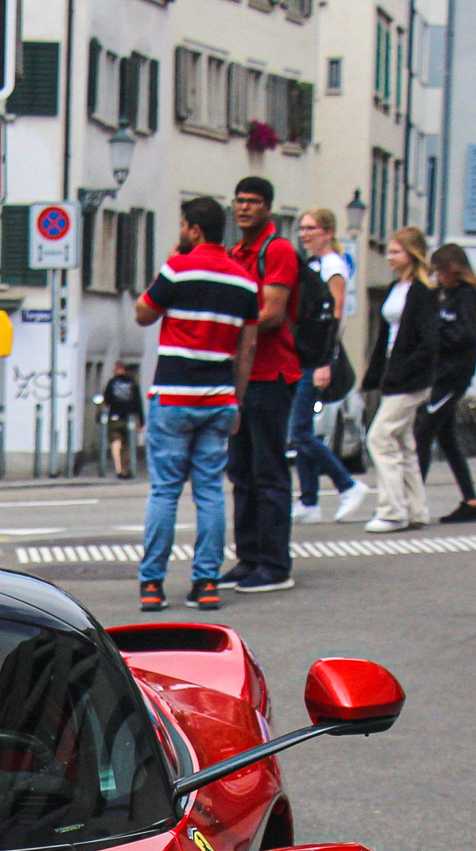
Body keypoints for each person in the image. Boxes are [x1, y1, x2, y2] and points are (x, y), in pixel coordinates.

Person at [131, 195, 258, 613]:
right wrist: (236, 401)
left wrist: (167, 267)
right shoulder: (244, 280)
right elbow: (248, 346)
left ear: (194, 229)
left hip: (173, 396)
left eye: (183, 226)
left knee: (165, 491)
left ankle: (152, 584)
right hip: (219, 397)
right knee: (210, 492)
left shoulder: (178, 268)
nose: (181, 233)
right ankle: (206, 583)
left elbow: (143, 314)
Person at [225, 176, 300, 593]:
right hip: (241, 374)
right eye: (239, 201)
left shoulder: (278, 249)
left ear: (268, 208)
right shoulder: (236, 252)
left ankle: (275, 564)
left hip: (270, 372)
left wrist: (228, 327)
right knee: (242, 471)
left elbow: (273, 312)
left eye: (253, 201)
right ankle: (249, 557)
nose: (244, 208)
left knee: (268, 471)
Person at [288, 207, 375, 524]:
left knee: (299, 431)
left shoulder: (333, 265)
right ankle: (308, 501)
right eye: (301, 228)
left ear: (327, 231)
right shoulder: (314, 264)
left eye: (310, 228)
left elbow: (335, 313)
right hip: (307, 354)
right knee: (303, 429)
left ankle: (347, 484)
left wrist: (327, 358)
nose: (304, 233)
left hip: (318, 356)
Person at [358, 228, 437, 534]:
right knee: (403, 443)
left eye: (395, 252)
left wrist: (405, 369)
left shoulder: (423, 291)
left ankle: (392, 510)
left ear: (412, 254)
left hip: (409, 377)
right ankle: (416, 509)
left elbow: (428, 341)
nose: (389, 257)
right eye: (389, 251)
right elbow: (385, 336)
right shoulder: (396, 287)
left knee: (379, 437)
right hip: (396, 372)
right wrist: (375, 375)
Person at [416, 242, 476, 523]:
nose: (436, 277)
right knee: (446, 438)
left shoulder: (466, 296)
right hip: (444, 374)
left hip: (453, 376)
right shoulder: (448, 295)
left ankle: (414, 500)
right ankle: (471, 499)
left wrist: (436, 333)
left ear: (451, 270)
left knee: (423, 433)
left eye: (438, 271)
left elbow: (465, 335)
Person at [100, 360, 142, 478]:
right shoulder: (132, 383)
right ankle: (126, 469)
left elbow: (105, 401)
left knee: (115, 444)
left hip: (114, 418)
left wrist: (101, 414)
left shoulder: (111, 383)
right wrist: (141, 421)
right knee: (128, 445)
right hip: (129, 419)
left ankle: (118, 469)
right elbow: (138, 402)